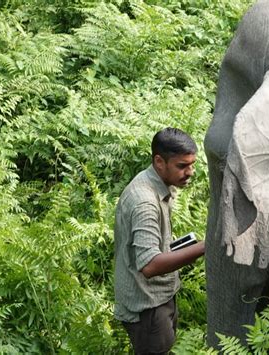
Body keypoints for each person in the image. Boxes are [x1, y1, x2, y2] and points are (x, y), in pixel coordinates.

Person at [114, 127, 205, 354]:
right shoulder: (145, 201)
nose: (190, 172)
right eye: (182, 166)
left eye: (192, 165)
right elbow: (150, 265)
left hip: (157, 300)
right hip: (148, 306)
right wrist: (206, 247)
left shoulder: (157, 183)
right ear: (159, 161)